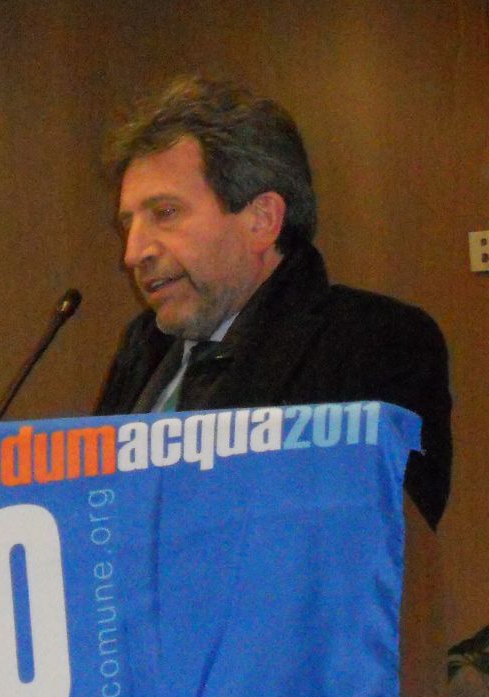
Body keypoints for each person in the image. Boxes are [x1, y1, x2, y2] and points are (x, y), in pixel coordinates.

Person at [95, 76, 451, 529]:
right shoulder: (143, 346)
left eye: (165, 213)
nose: (133, 253)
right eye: (129, 224)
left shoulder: (374, 342)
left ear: (261, 220)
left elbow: (385, 537)